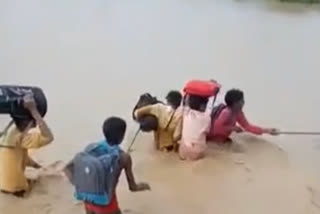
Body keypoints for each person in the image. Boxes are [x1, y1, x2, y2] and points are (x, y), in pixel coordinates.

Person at [65, 117, 150, 214]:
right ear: (122, 137)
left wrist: (82, 185)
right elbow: (132, 187)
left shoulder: (92, 148)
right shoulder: (124, 158)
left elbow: (68, 169)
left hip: (88, 199)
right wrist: (143, 186)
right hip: (106, 203)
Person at [0, 94, 54, 197]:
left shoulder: (5, 135)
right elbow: (48, 137)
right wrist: (34, 111)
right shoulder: (21, 138)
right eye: (34, 123)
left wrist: (37, 166)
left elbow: (20, 158)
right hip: (16, 190)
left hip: (2, 186)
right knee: (43, 184)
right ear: (30, 122)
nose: (35, 125)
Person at [207, 89, 278, 143]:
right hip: (213, 137)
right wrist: (233, 128)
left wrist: (267, 131)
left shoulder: (238, 112)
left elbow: (248, 127)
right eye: (241, 101)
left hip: (222, 138)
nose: (243, 102)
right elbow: (217, 127)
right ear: (234, 103)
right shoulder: (226, 112)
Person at [179, 95, 211, 161]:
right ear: (202, 106)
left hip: (182, 150)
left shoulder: (185, 112)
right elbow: (207, 132)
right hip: (197, 151)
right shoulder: (207, 117)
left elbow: (185, 103)